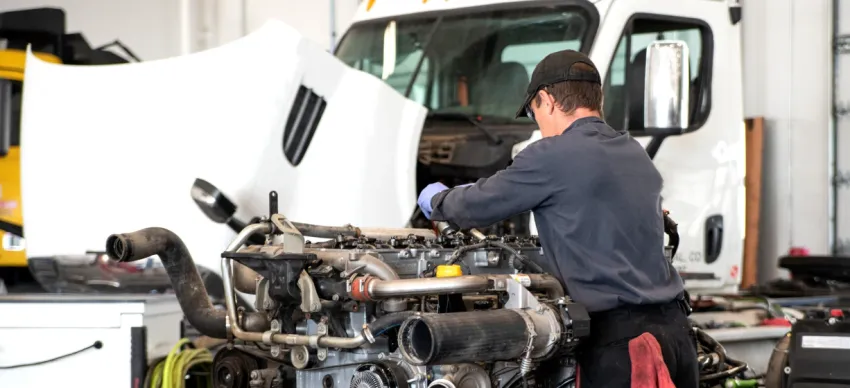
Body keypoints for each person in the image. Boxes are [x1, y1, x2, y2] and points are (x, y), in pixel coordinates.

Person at [416, 50, 698, 388]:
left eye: (534, 112)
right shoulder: (633, 150)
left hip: (625, 349)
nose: (538, 123)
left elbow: (476, 204)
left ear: (547, 100)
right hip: (678, 336)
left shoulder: (551, 155)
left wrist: (436, 199)